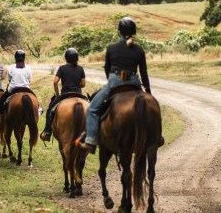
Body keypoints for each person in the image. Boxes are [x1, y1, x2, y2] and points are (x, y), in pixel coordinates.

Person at [79, 17, 151, 154]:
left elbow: (107, 69)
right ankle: (156, 137)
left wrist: (111, 83)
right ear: (134, 32)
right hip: (134, 83)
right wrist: (148, 91)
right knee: (152, 107)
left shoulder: (112, 48)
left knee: (92, 109)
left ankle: (91, 141)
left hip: (115, 81)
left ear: (119, 32)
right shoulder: (139, 49)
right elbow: (144, 73)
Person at [40, 48, 86, 141]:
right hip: (78, 95)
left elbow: (55, 82)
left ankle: (48, 132)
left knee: (50, 110)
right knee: (91, 109)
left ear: (66, 58)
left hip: (65, 95)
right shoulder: (80, 68)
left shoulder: (62, 68)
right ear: (77, 58)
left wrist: (57, 95)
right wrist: (77, 85)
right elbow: (83, 84)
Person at [0, 49, 36, 122]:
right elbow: (29, 80)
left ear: (15, 58)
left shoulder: (11, 67)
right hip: (26, 88)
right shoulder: (28, 67)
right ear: (24, 58)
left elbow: (9, 80)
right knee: (34, 96)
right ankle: (38, 108)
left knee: (3, 98)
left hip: (13, 88)